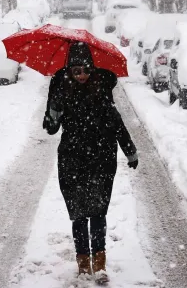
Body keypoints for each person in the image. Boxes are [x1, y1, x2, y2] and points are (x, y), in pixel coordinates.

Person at [43, 42, 138, 284]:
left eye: (86, 70)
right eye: (77, 71)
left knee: (97, 212)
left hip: (101, 160)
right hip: (72, 160)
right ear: (70, 71)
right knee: (78, 214)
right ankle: (83, 263)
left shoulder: (102, 90)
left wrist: (130, 151)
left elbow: (117, 125)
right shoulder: (60, 90)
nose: (82, 75)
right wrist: (53, 111)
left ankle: (100, 262)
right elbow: (51, 129)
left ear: (92, 69)